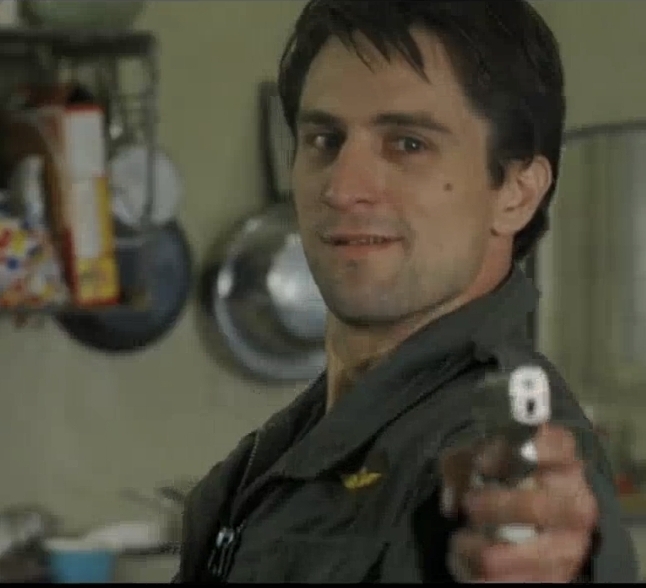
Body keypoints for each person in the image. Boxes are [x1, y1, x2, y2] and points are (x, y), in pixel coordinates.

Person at [174, 0, 638, 582]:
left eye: (408, 144)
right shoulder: (299, 440)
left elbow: (528, 544)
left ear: (516, 193)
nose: (342, 187)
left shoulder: (486, 442)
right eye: (324, 139)